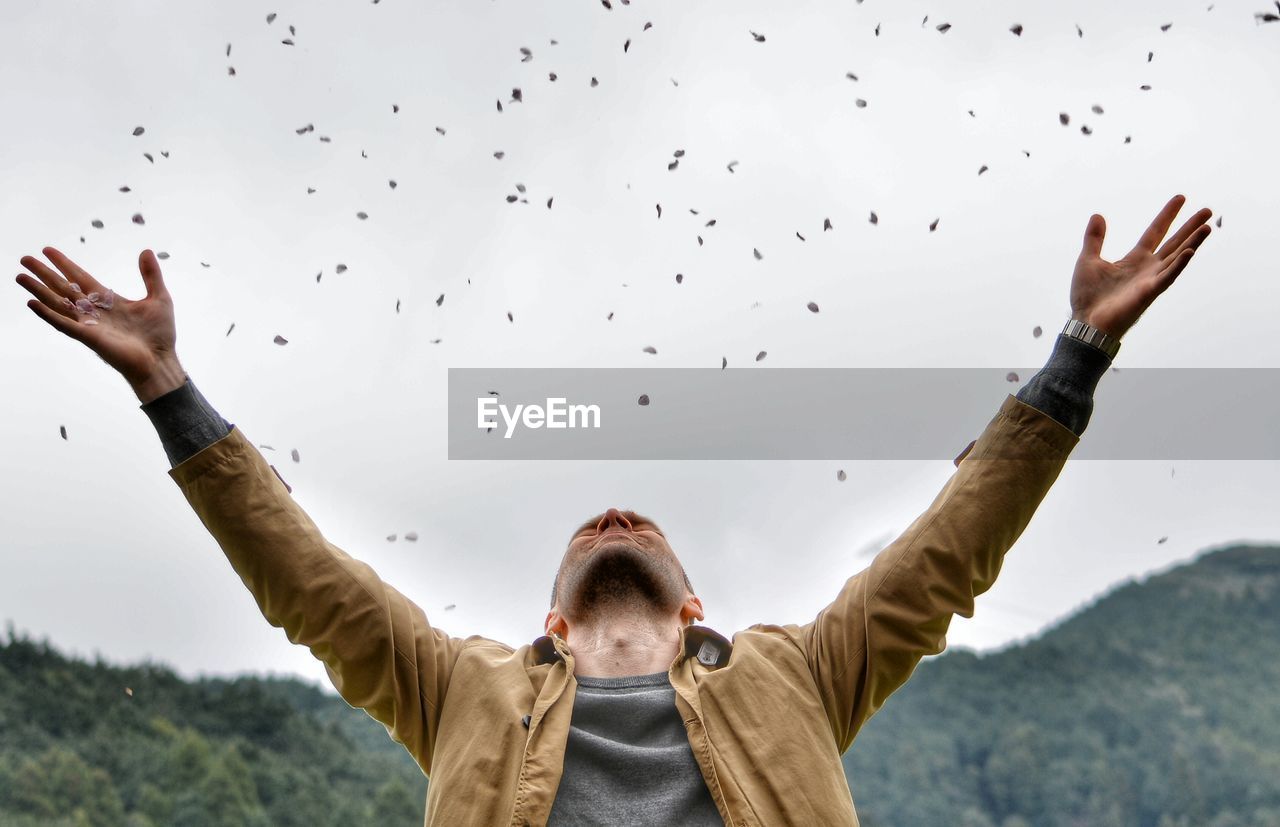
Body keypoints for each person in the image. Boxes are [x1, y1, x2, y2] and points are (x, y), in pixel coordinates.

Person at [15, 195, 1213, 826]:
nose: (613, 507)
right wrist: (168, 388)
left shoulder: (790, 676)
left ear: (695, 607)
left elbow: (944, 553)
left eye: (632, 520)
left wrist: (1076, 355)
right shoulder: (463, 689)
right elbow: (310, 584)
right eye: (591, 524)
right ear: (547, 622)